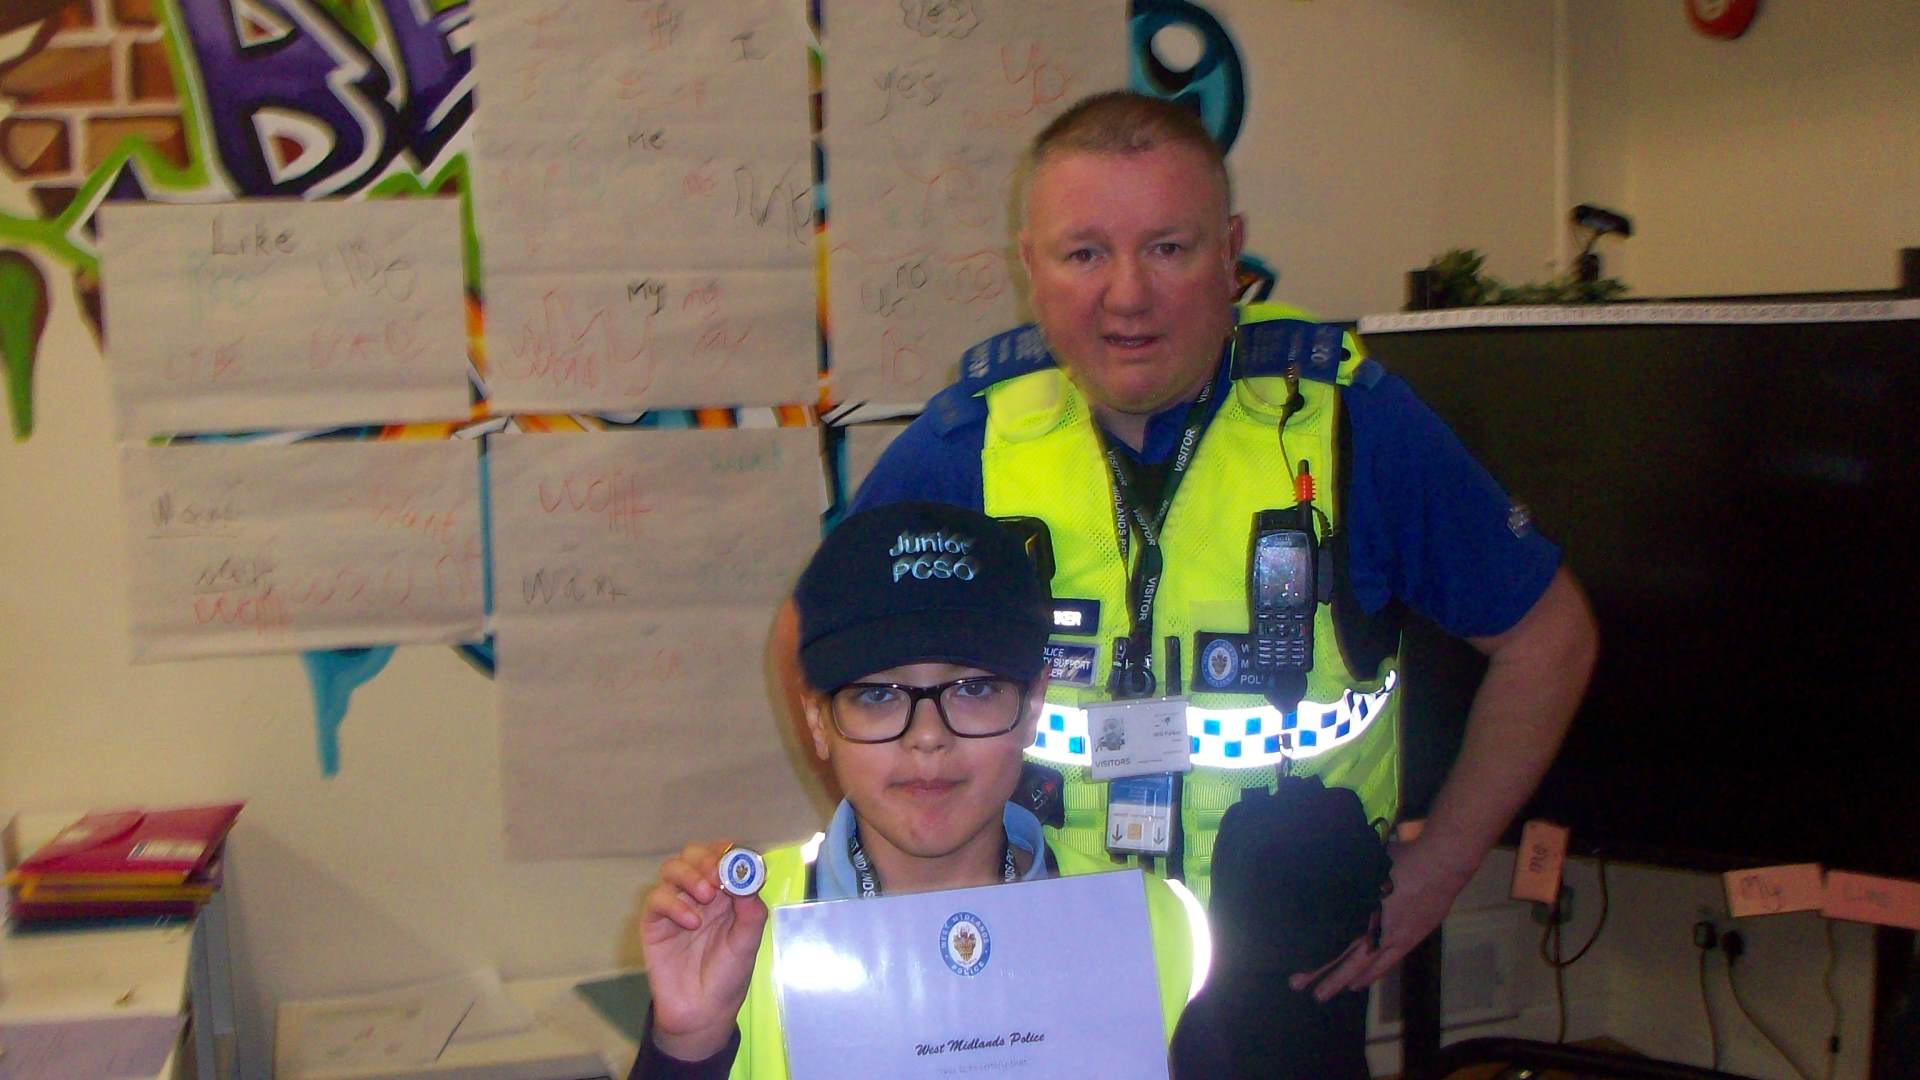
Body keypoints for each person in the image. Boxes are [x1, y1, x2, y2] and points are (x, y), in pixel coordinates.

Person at [822, 91, 1600, 1073]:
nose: (1127, 295)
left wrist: (1439, 869)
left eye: (1168, 248)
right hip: (1039, 976)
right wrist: (908, 862)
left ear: (1231, 253)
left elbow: (1549, 639)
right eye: (1084, 253)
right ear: (1031, 267)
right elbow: (813, 644)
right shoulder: (964, 447)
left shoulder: (1351, 424)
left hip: (1286, 974)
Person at [634, 501, 1207, 1079]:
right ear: (817, 721)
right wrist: (686, 1049)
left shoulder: (1149, 922)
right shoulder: (737, 932)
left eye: (973, 689)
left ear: (1033, 704)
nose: (928, 736)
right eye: (878, 695)